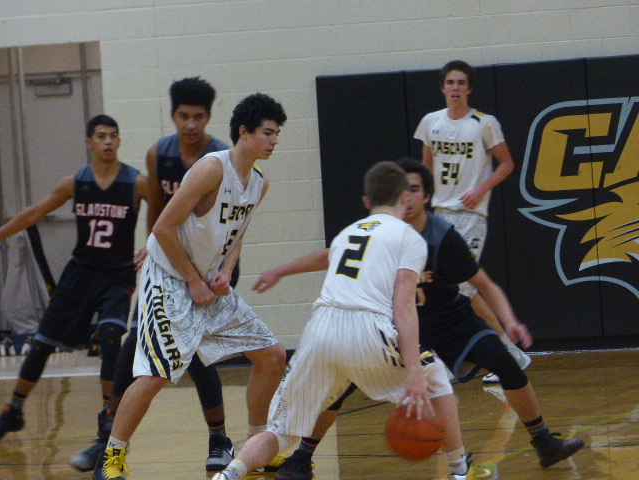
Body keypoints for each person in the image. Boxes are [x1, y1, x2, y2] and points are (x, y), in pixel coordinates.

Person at [265, 159, 585, 480]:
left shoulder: (443, 237)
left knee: (503, 360)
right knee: (340, 383)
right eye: (403, 190)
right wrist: (282, 270)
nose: (407, 196)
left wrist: (510, 321)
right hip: (398, 324)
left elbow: (484, 285)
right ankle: (302, 456)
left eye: (414, 190)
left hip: (448, 319)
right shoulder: (379, 231)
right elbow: (329, 255)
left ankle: (543, 441)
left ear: (426, 197)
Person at [212, 161, 498, 480]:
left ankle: (229, 474)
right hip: (368, 327)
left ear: (366, 201)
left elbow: (327, 256)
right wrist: (415, 371)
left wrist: (280, 270)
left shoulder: (349, 233)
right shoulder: (409, 237)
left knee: (280, 432)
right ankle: (460, 470)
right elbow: (404, 304)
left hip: (320, 331)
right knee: (436, 374)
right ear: (405, 197)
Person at [92, 92, 288, 480]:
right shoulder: (212, 169)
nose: (275, 141)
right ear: (245, 132)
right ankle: (111, 456)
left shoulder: (259, 182)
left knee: (272, 356)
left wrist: (226, 270)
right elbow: (163, 228)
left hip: (206, 280)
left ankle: (257, 446)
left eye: (277, 133)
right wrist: (194, 281)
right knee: (157, 372)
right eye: (268, 132)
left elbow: (238, 233)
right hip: (168, 275)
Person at [71, 77, 238, 473]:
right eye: (184, 116)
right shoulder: (159, 154)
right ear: (173, 115)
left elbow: (232, 223)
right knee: (132, 347)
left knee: (197, 354)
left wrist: (223, 272)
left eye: (199, 117)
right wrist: (151, 245)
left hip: (207, 268)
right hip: (166, 265)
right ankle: (108, 439)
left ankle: (219, 438)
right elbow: (159, 210)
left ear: (209, 117)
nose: (191, 124)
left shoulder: (220, 159)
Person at [0, 115, 148, 445]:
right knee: (42, 343)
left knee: (110, 336)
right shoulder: (74, 183)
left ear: (119, 141)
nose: (108, 141)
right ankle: (13, 410)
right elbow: (35, 213)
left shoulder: (137, 183)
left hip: (117, 274)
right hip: (80, 273)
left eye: (113, 136)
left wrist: (153, 244)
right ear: (89, 143)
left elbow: (167, 213)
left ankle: (108, 414)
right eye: (101, 136)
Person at [413, 59, 530, 384]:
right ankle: (470, 356)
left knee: (464, 286)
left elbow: (506, 163)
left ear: (469, 88)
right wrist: (425, 206)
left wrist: (481, 189)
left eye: (461, 83)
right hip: (439, 214)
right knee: (445, 287)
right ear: (443, 87)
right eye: (451, 82)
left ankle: (509, 353)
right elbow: (426, 169)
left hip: (471, 215)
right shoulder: (430, 122)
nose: (455, 88)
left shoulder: (484, 123)